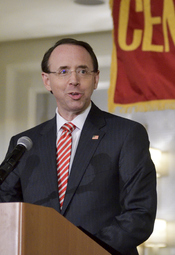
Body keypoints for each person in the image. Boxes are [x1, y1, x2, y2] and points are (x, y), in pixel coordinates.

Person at [0, 38, 157, 255]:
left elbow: (140, 213)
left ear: (95, 78)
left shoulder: (126, 134)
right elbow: (6, 210)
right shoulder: (25, 143)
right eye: (63, 71)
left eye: (83, 71)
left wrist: (81, 249)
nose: (74, 80)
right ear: (47, 81)